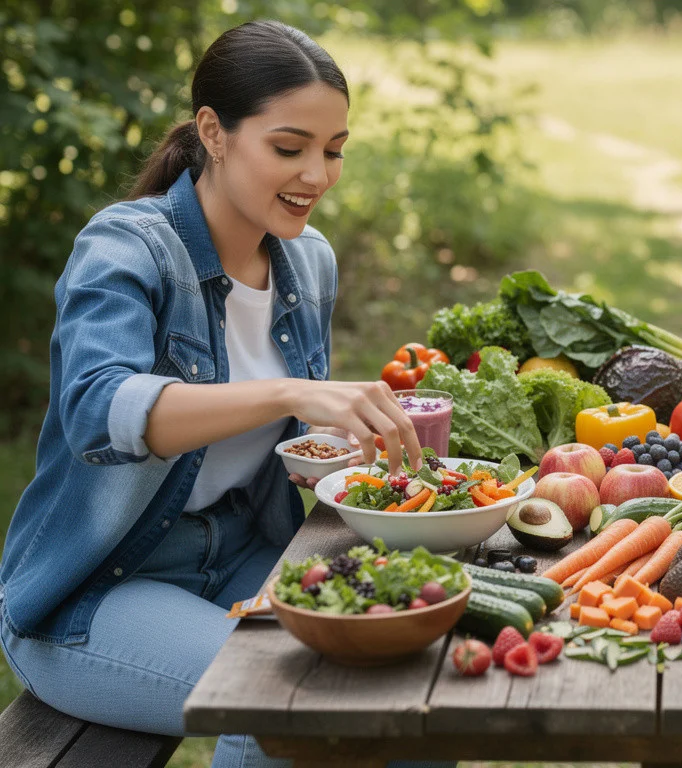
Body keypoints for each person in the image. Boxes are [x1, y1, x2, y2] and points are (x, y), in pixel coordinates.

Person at [0, 20, 441, 768]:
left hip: (245, 554)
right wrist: (286, 392)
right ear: (215, 131)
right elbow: (98, 411)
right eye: (289, 147)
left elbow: (297, 442)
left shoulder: (308, 262)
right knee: (282, 705)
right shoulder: (125, 247)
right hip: (100, 591)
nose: (318, 175)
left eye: (334, 151)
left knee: (416, 704)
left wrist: (360, 441)